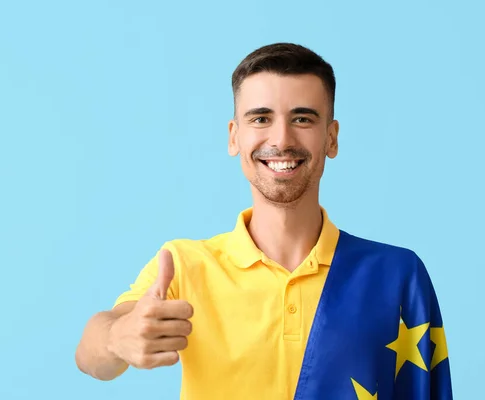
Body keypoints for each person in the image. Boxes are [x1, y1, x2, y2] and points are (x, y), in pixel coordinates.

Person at [75, 42, 453, 400]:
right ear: (234, 136)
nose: (281, 138)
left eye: (302, 118)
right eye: (261, 118)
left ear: (332, 138)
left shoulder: (396, 274)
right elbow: (90, 355)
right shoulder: (184, 265)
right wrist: (118, 338)